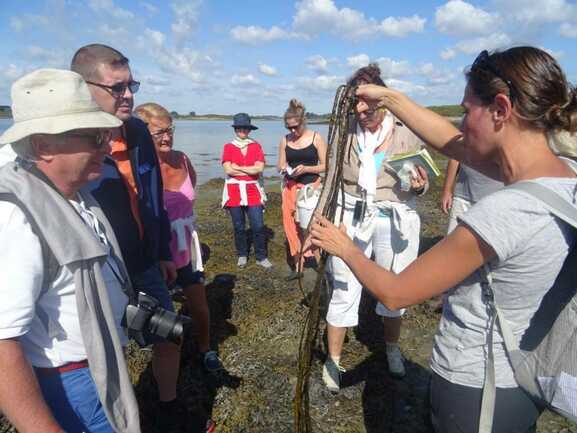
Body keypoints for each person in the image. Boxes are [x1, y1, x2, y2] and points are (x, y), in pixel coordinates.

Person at [311, 46, 577, 432]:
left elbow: (397, 292)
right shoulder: (563, 175)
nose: (462, 124)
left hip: (476, 387)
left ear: (501, 109)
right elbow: (451, 143)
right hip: (524, 376)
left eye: (467, 111)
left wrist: (344, 247)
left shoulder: (506, 212)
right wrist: (388, 97)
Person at [0, 69, 140, 433]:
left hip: (103, 367)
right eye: (95, 137)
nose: (107, 147)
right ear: (44, 145)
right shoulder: (18, 216)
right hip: (72, 384)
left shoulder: (78, 196)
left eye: (106, 136)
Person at [70, 44, 183, 429]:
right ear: (83, 86)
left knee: (169, 335)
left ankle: (167, 407)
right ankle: (118, 415)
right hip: (97, 270)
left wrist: (164, 251)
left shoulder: (136, 131)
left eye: (131, 84)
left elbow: (153, 202)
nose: (129, 95)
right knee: (108, 351)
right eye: (117, 88)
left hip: (143, 260)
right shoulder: (69, 138)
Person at [320, 64, 429, 391]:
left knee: (394, 289)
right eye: (357, 105)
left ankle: (392, 349)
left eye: (369, 105)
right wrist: (319, 226)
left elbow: (420, 182)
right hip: (351, 211)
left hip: (392, 214)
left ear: (382, 99)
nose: (363, 112)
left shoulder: (406, 129)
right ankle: (334, 360)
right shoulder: (344, 130)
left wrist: (421, 186)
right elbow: (331, 179)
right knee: (343, 285)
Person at [134, 102, 223, 372]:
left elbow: (190, 192)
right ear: (143, 134)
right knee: (162, 312)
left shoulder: (183, 158)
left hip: (186, 246)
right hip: (155, 250)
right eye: (159, 132)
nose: (167, 137)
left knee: (199, 304)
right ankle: (167, 357)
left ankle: (206, 349)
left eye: (170, 130)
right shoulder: (140, 167)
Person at [278, 99, 326, 280]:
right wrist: (284, 168)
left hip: (310, 190)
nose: (292, 131)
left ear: (303, 122)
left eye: (295, 127)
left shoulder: (316, 138)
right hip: (290, 189)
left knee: (311, 228)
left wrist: (306, 169)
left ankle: (320, 262)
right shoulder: (285, 140)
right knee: (291, 228)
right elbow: (280, 165)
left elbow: (326, 166)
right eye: (288, 127)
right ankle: (298, 266)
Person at [221, 113, 272, 269]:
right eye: (239, 128)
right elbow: (228, 170)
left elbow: (259, 168)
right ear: (235, 129)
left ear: (249, 130)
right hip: (234, 191)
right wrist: (248, 171)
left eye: (245, 128)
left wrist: (238, 168)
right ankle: (242, 254)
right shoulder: (228, 147)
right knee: (239, 226)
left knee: (257, 226)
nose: (242, 130)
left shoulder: (256, 146)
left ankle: (261, 257)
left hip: (253, 190)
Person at [440, 159, 502, 233]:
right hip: (462, 197)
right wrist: (447, 191)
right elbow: (454, 159)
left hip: (493, 200)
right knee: (452, 239)